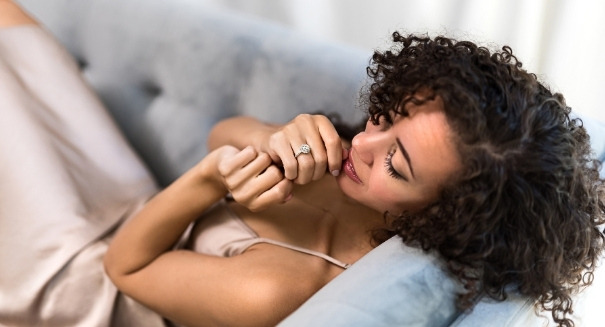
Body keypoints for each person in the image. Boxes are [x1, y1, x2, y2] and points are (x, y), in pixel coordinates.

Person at [1, 1, 603, 327]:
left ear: (449, 219)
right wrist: (268, 136)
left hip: (72, 273)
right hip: (127, 197)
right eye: (386, 117)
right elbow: (223, 133)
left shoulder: (276, 292)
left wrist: (214, 176)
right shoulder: (366, 181)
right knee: (15, 28)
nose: (362, 144)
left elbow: (123, 268)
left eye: (394, 162)